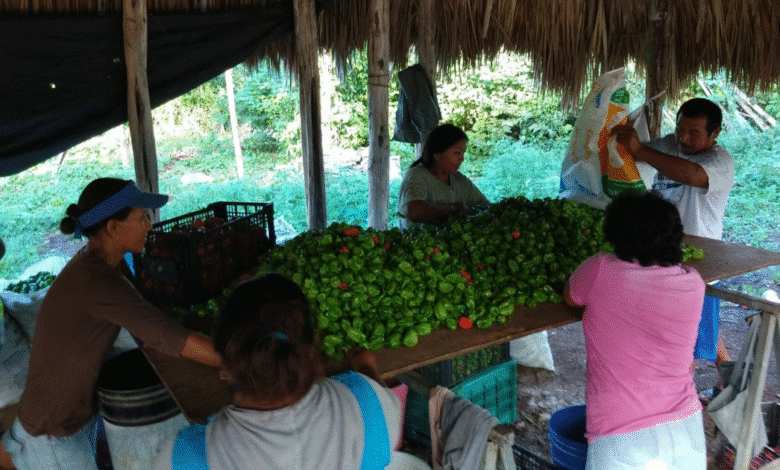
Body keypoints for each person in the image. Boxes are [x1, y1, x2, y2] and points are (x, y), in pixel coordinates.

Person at [1, 178, 222, 470]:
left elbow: (147, 316)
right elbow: (167, 336)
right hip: (51, 429)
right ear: (114, 228)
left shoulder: (102, 265)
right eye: (142, 217)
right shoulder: (96, 281)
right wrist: (230, 360)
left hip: (69, 417)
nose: (149, 225)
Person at [154, 273, 401, 470]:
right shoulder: (370, 405)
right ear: (312, 347)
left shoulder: (185, 457)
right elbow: (379, 397)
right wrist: (367, 368)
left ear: (225, 363)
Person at [564, 191, 706, 470]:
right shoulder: (694, 282)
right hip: (686, 426)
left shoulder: (599, 270)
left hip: (623, 436)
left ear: (616, 234)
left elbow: (571, 296)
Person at [611, 97, 735, 366]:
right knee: (693, 328)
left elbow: (692, 175)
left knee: (687, 338)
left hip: (700, 259)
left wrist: (642, 151)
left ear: (715, 133)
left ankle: (687, 398)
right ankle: (728, 383)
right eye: (680, 129)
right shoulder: (669, 144)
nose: (684, 138)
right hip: (665, 253)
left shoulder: (720, 161)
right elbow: (633, 152)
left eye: (694, 133)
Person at [397, 123, 489, 229]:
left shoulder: (460, 181)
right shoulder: (416, 175)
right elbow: (414, 211)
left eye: (463, 153)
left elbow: (486, 206)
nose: (462, 158)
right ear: (437, 153)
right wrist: (453, 208)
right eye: (457, 153)